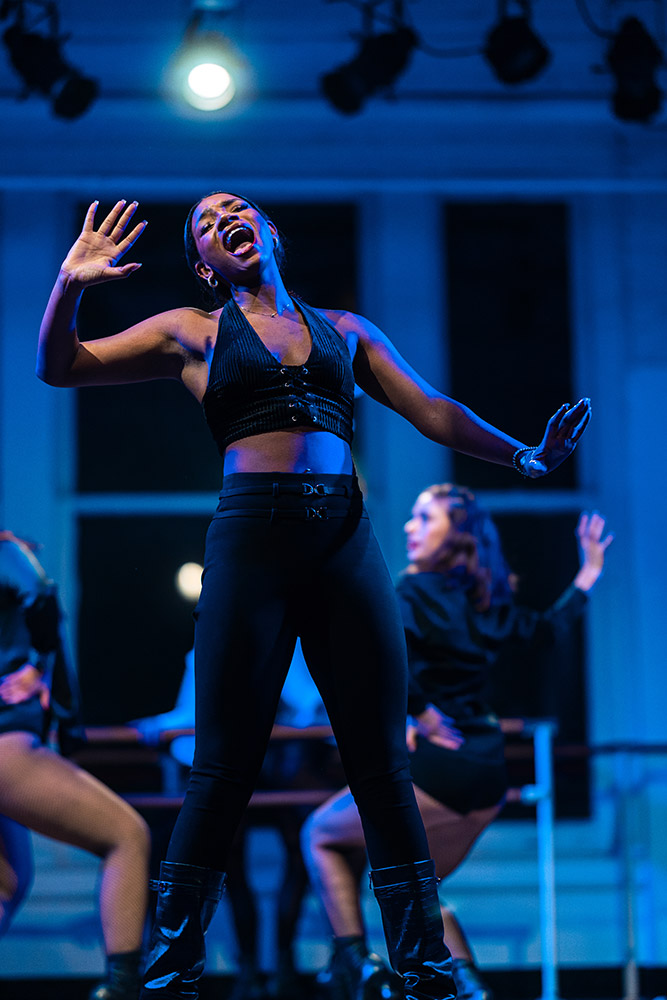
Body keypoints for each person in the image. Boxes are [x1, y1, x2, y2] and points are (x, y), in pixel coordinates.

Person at [36, 194, 592, 1000]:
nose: (224, 217)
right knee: (222, 767)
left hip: (342, 540)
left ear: (267, 233)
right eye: (204, 223)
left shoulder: (347, 330)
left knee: (381, 765)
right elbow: (61, 366)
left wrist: (526, 458)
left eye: (237, 209)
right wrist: (70, 285)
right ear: (206, 264)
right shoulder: (193, 330)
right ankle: (169, 974)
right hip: (250, 542)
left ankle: (426, 968)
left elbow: (431, 407)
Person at [301, 487, 613, 1000]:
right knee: (420, 892)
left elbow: (377, 658)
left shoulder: (412, 590)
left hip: (441, 767)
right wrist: (588, 573)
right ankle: (469, 987)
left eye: (424, 518)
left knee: (319, 834)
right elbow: (547, 632)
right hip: (488, 773)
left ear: (457, 535)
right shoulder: (485, 599)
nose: (409, 527)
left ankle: (354, 964)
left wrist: (417, 710)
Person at [0, 531, 150, 1000]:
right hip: (7, 747)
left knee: (6, 883)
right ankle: (122, 989)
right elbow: (41, 598)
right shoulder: (8, 554)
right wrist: (38, 666)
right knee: (127, 835)